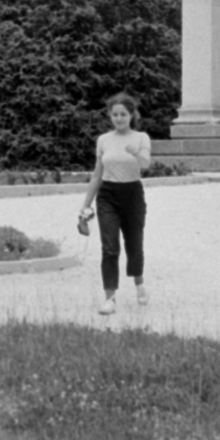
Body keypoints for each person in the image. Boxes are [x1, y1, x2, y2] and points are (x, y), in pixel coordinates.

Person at [79, 92, 152, 315]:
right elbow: (97, 174)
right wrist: (85, 207)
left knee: (134, 246)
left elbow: (146, 164)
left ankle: (139, 283)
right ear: (110, 116)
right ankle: (110, 298)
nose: (119, 118)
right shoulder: (103, 140)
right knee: (110, 247)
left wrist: (137, 154)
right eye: (115, 114)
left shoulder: (141, 137)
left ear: (131, 115)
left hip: (132, 194)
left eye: (123, 114)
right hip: (108, 195)